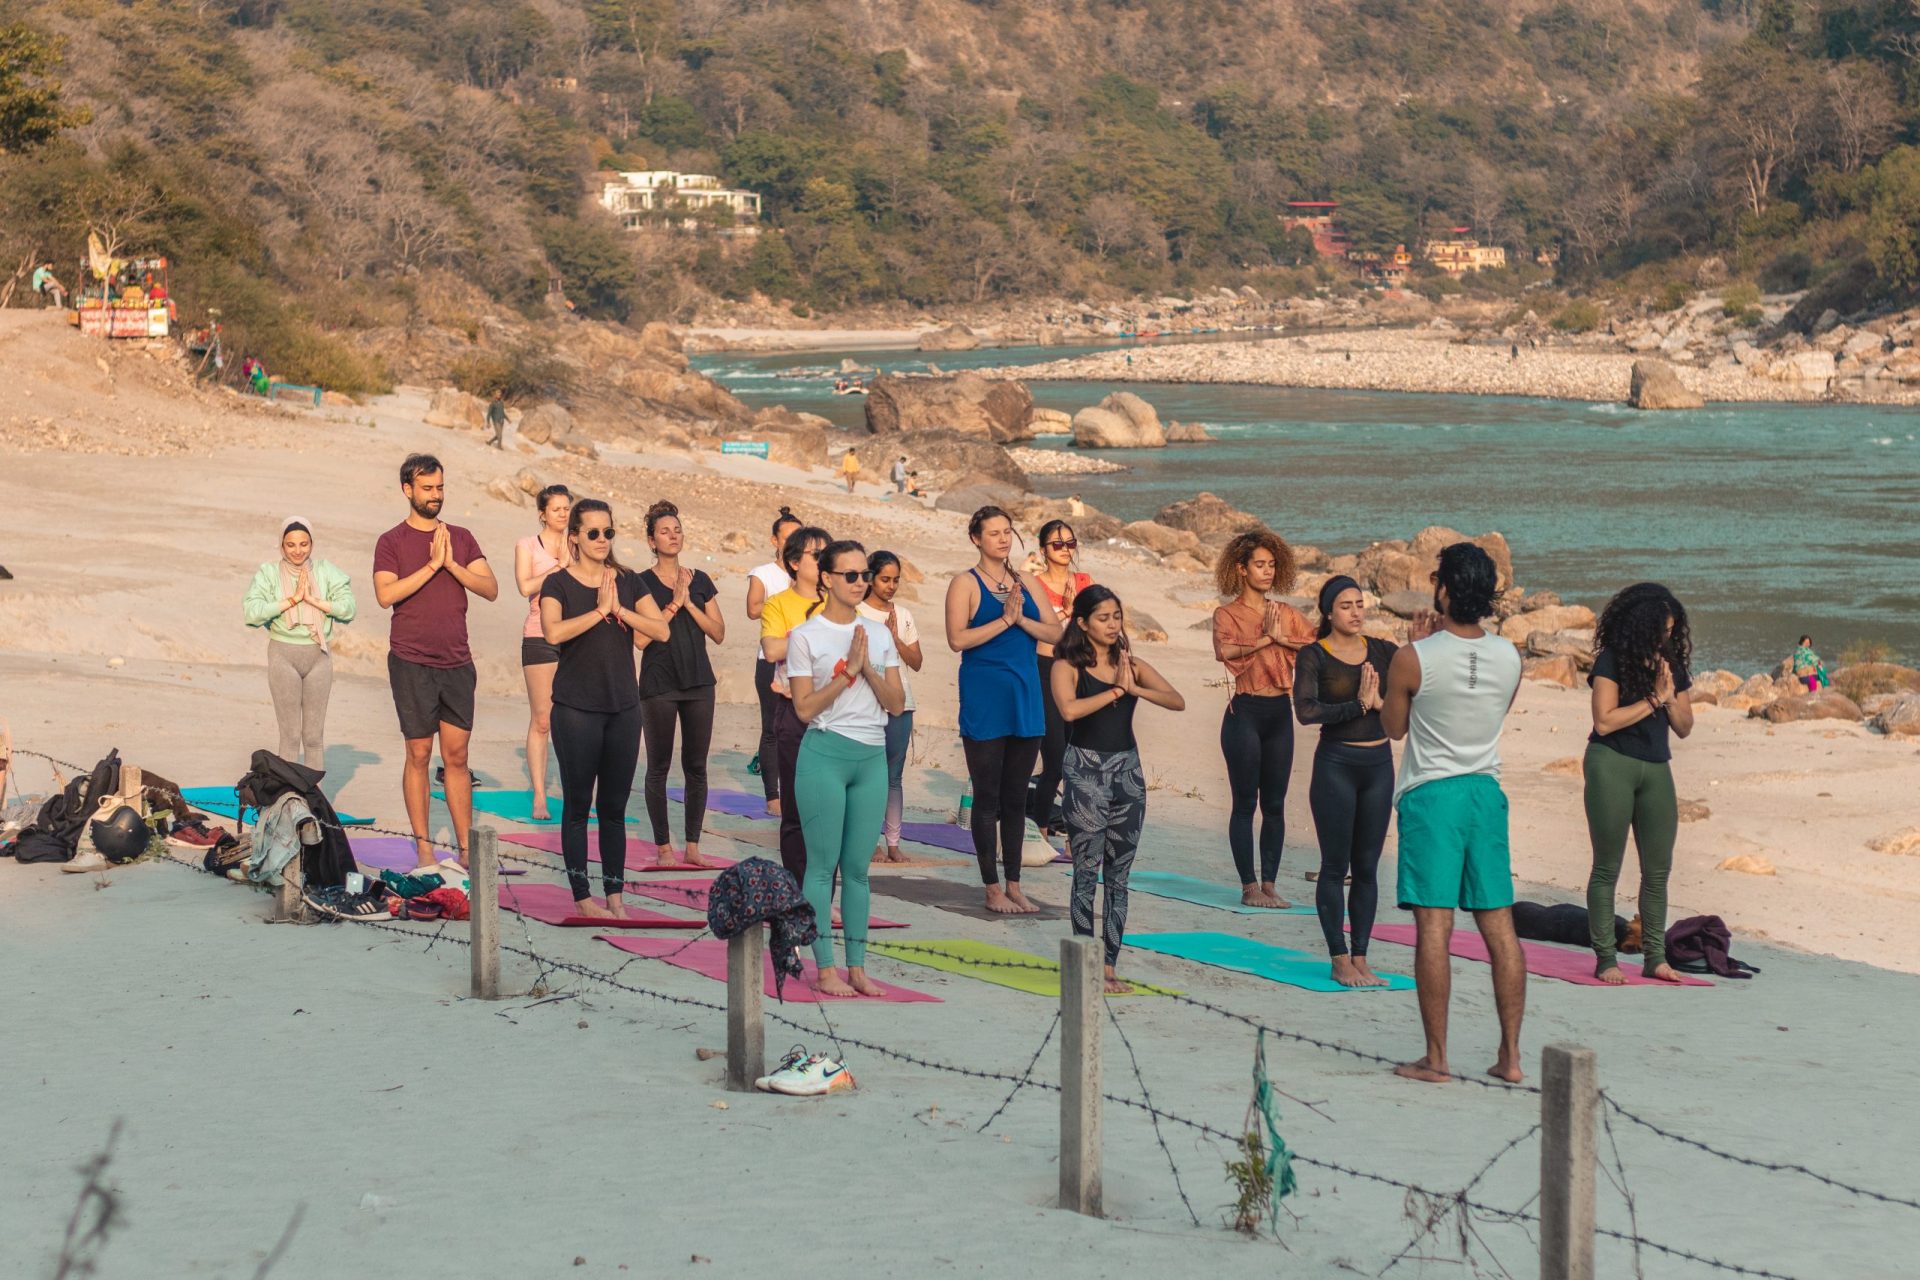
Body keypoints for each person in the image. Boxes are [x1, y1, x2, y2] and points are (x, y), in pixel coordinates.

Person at [1381, 542, 1526, 1085]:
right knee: (1500, 929)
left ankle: (1437, 1057)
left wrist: (1416, 649)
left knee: (1434, 928)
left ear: (1443, 590)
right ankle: (1510, 1056)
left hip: (1432, 795)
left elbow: (1393, 727)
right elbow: (1494, 714)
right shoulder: (1511, 656)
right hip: (1485, 793)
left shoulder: (1413, 656)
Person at [540, 499, 671, 917]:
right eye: (593, 532)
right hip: (576, 708)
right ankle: (583, 898)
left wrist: (621, 611)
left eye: (608, 532)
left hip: (623, 708)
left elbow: (661, 630)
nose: (601, 540)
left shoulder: (628, 582)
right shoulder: (557, 584)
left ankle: (615, 896)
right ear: (574, 536)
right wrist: (599, 611)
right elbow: (553, 631)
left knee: (614, 808)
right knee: (578, 805)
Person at [788, 540, 907, 996]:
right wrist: (846, 673)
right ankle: (825, 969)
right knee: (822, 867)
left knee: (858, 869)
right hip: (825, 755)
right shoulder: (807, 636)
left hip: (871, 757)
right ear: (827, 579)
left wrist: (868, 670)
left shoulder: (878, 633)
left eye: (864, 575)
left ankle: (858, 968)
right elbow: (802, 709)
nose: (861, 582)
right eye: (851, 575)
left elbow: (896, 704)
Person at [1051, 586, 1184, 993]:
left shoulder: (1132, 665)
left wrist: (1134, 688)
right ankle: (1087, 964)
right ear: (1082, 623)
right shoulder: (1066, 665)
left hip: (1128, 774)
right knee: (1086, 872)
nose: (1113, 625)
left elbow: (1177, 700)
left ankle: (1109, 965)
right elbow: (1069, 710)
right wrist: (1114, 691)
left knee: (1120, 877)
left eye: (1117, 617)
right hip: (1085, 773)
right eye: (1104, 618)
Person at [373, 455, 498, 873]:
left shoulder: (461, 538)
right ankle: (424, 847)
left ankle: (465, 849)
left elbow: (490, 588)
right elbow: (385, 595)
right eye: (427, 489)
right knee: (419, 752)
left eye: (440, 488)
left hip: (457, 661)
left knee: (458, 756)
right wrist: (431, 565)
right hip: (411, 661)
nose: (436, 496)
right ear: (408, 490)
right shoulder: (390, 541)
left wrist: (451, 565)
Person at [944, 505, 1064, 914]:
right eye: (993, 532)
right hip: (985, 696)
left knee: (1016, 797)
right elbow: (957, 639)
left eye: (1007, 532)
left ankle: (1014, 884)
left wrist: (1021, 622)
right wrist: (1004, 621)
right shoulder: (965, 583)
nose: (1002, 538)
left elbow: (1055, 631)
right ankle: (991, 887)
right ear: (976, 538)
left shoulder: (1026, 581)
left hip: (1026, 695)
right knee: (988, 796)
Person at [1584, 583, 1694, 984]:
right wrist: (1652, 698)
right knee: (1607, 868)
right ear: (1641, 626)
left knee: (1658, 871)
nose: (1666, 637)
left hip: (1656, 767)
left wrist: (1667, 697)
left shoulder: (1671, 666)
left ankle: (1655, 956)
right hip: (1610, 762)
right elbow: (1604, 720)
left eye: (1671, 630)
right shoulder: (1610, 660)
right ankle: (1605, 959)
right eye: (1661, 630)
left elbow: (1684, 726)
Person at [1294, 575, 1398, 988]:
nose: (1356, 612)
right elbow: (1305, 710)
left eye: (1360, 604)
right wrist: (1356, 706)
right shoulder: (1314, 656)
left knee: (1368, 869)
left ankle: (1361, 956)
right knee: (1335, 867)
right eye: (1346, 605)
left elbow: (1414, 697)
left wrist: (1380, 704)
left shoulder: (1385, 652)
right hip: (1336, 765)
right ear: (1328, 612)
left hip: (1379, 766)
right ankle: (1339, 958)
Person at [1211, 530, 1316, 907]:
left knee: (1275, 804)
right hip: (1245, 714)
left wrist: (1280, 637)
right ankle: (1249, 886)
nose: (1267, 571)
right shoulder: (1226, 613)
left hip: (1279, 714)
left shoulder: (1285, 614)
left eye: (1272, 564)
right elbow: (1224, 650)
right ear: (1241, 569)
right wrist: (1266, 639)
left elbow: (1315, 645)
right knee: (1245, 803)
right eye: (1259, 564)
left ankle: (1270, 884)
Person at [635, 500, 725, 868]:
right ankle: (663, 850)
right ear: (651, 540)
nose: (673, 536)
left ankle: (692, 847)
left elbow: (718, 632)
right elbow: (640, 640)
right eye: (664, 532)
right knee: (658, 765)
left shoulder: (700, 580)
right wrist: (673, 604)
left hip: (699, 681)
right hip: (659, 683)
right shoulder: (639, 582)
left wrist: (689, 603)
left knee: (696, 766)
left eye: (677, 530)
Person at [243, 518, 357, 769]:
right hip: (283, 656)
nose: (298, 551)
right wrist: (292, 601)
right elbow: (252, 612)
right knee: (291, 736)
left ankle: (314, 800)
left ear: (312, 544)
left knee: (314, 738)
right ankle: (288, 799)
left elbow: (348, 609)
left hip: (319, 657)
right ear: (281, 546)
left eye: (304, 544)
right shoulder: (269, 573)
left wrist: (316, 602)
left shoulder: (327, 571)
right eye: (291, 545)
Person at [761, 523, 832, 882]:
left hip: (836, 715)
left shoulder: (840, 603)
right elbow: (772, 648)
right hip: (794, 713)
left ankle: (824, 893)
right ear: (793, 562)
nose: (824, 562)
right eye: (817, 555)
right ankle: (796, 889)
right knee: (796, 812)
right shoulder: (779, 604)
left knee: (832, 812)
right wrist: (822, 633)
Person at [1028, 519, 1093, 838]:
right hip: (1043, 669)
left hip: (1076, 671)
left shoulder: (1084, 581)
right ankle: (1040, 831)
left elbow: (1093, 629)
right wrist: (1067, 611)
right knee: (1054, 757)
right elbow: (1036, 627)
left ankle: (1071, 834)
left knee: (1077, 760)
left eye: (1071, 543)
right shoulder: (1033, 584)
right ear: (1043, 550)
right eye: (1058, 544)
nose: (1066, 550)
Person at [859, 550, 923, 863]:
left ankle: (894, 843)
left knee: (893, 776)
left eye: (896, 580)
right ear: (870, 578)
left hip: (902, 702)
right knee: (869, 774)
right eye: (885, 579)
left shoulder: (904, 615)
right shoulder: (855, 612)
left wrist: (895, 638)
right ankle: (868, 840)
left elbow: (917, 661)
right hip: (866, 702)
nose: (891, 586)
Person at [514, 485, 571, 821]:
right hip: (539, 635)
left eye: (567, 508)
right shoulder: (527, 545)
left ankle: (575, 790)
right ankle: (539, 796)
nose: (563, 514)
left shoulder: (579, 545)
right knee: (543, 719)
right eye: (557, 509)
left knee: (576, 718)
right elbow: (525, 586)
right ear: (543, 514)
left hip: (575, 635)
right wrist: (559, 567)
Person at [746, 508, 803, 815]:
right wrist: (786, 602)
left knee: (802, 727)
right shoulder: (764, 574)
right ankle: (773, 796)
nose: (794, 542)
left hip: (805, 660)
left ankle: (799, 790)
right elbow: (752, 609)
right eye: (788, 537)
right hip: (771, 658)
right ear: (775, 540)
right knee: (772, 727)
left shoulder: (812, 576)